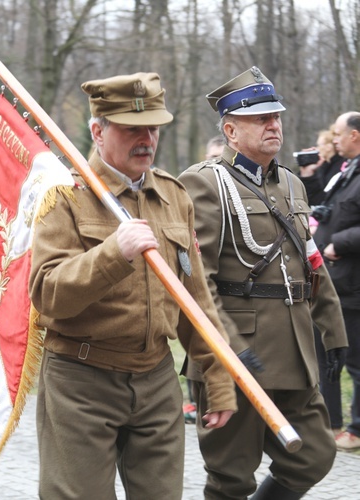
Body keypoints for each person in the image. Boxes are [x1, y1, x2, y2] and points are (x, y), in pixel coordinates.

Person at [29, 72, 236, 499]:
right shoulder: (63, 195)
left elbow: (195, 299)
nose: (146, 139)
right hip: (80, 380)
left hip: (156, 377)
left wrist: (217, 379)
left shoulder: (174, 196)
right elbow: (47, 294)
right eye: (131, 129)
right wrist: (113, 253)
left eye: (153, 128)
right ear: (97, 131)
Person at [178, 67, 348, 499]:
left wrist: (334, 333)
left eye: (276, 117)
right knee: (231, 475)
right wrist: (230, 349)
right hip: (237, 353)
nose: (274, 125)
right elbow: (199, 281)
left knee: (314, 455)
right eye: (261, 119)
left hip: (292, 350)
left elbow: (311, 263)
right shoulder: (204, 182)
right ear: (231, 130)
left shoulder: (290, 183)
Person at [313, 111, 360, 451]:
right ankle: (329, 424)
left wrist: (338, 243)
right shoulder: (346, 172)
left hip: (353, 284)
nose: (334, 139)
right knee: (323, 349)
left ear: (355, 135)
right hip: (332, 282)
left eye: (339, 134)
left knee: (356, 359)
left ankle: (357, 430)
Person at [300, 128, 345, 206]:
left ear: (328, 147)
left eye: (319, 145)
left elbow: (323, 198)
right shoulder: (324, 166)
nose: (317, 148)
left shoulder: (341, 168)